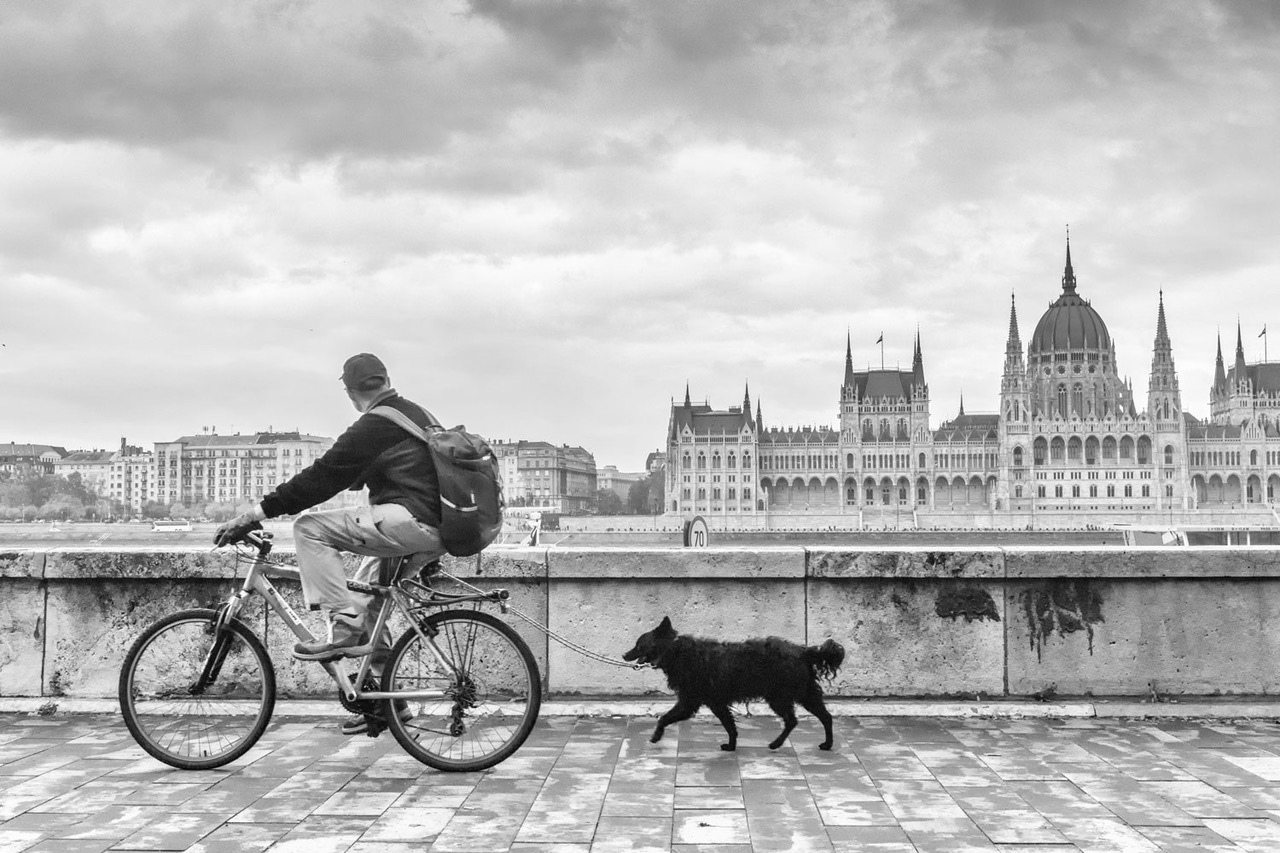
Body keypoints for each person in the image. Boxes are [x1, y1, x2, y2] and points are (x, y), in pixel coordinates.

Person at [214, 352, 444, 735]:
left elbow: (319, 480)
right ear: (385, 379)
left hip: (411, 521)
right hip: (437, 526)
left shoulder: (375, 424)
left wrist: (253, 515)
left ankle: (343, 624)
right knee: (368, 596)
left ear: (351, 393)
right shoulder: (415, 414)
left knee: (308, 528)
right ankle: (391, 702)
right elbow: (376, 470)